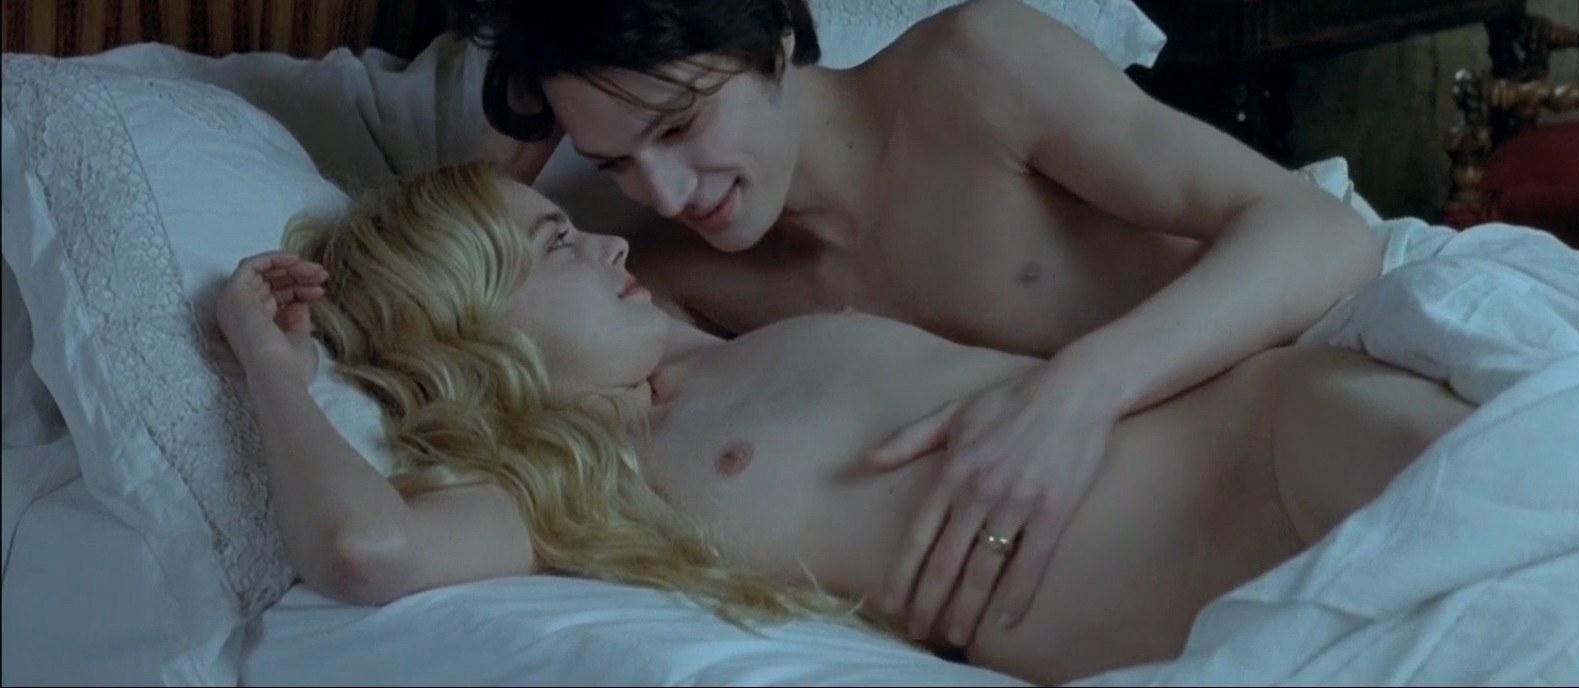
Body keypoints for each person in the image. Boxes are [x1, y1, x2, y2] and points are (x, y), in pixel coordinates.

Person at [449, 0, 1386, 644]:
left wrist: (1075, 391)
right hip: (1164, 581)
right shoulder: (674, 281)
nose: (665, 191)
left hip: (1307, 435)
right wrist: (513, 140)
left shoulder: (976, 74)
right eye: (613, 162)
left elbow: (1322, 233)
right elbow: (466, 308)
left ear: (771, 37)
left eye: (680, 126)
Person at [219, 162, 1471, 685]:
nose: (611, 239)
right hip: (1241, 606)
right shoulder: (584, 486)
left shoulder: (741, 329)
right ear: (474, 326)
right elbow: (367, 548)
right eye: (556, 242)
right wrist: (274, 367)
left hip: (1287, 436)